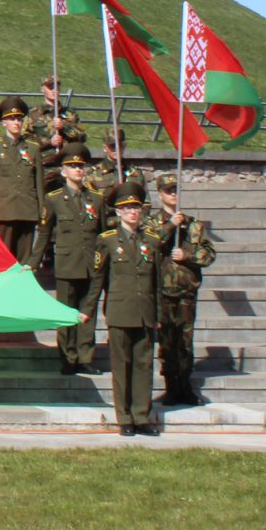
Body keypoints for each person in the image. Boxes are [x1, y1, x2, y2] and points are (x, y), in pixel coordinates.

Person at [89, 182, 163, 435]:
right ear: (118, 212)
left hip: (145, 311)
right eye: (127, 208)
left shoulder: (152, 241)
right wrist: (88, 308)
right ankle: (125, 417)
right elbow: (98, 278)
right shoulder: (107, 240)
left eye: (136, 207)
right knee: (122, 366)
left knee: (144, 365)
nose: (133, 212)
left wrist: (159, 313)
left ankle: (141, 415)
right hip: (120, 311)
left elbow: (159, 281)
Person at [32, 145, 108, 374]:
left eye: (80, 166)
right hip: (67, 263)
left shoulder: (96, 199)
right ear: (63, 171)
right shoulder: (54, 199)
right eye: (72, 166)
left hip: (90, 264)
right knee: (67, 313)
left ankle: (85, 357)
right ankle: (68, 357)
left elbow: (103, 234)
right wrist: (33, 261)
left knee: (88, 313)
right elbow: (45, 233)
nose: (77, 170)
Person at [144, 174, 216, 407]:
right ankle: (171, 387)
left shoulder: (194, 225)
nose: (173, 194)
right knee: (167, 342)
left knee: (185, 343)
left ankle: (186, 386)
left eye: (176, 190)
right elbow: (149, 243)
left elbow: (209, 254)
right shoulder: (153, 223)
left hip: (186, 292)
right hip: (162, 292)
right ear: (160, 194)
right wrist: (170, 225)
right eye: (168, 190)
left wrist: (189, 256)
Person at [0, 97, 44, 267]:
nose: (16, 122)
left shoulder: (33, 147)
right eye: (11, 119)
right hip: (7, 209)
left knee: (25, 261)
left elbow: (39, 181)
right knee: (5, 258)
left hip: (27, 209)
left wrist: (41, 210)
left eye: (19, 118)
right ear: (3, 123)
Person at [27, 78, 83, 190]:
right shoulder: (34, 114)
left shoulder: (70, 114)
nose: (54, 90)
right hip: (44, 167)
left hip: (67, 166)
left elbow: (81, 137)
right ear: (42, 89)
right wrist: (49, 142)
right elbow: (25, 141)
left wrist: (65, 127)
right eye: (50, 87)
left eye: (56, 88)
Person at [84, 129, 128, 207]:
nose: (116, 149)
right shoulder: (93, 174)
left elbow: (146, 203)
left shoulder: (135, 173)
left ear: (124, 146)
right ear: (105, 148)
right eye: (112, 146)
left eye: (119, 145)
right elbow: (90, 204)